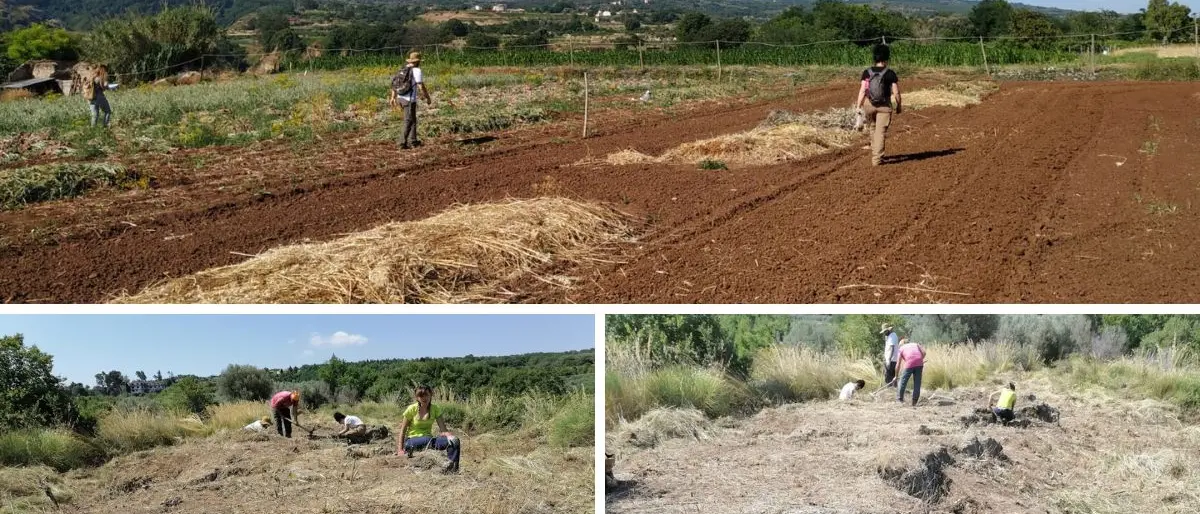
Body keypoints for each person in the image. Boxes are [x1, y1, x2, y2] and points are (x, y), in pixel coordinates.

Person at [855, 44, 902, 166]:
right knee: (880, 132)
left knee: (872, 128)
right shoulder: (890, 73)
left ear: (875, 57)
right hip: (884, 106)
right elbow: (896, 92)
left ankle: (875, 151)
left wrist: (858, 106)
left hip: (869, 105)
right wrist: (898, 105)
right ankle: (877, 159)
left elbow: (862, 90)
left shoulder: (867, 72)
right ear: (886, 58)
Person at [397, 384, 460, 473]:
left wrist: (450, 436)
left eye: (426, 394)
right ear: (417, 397)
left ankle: (453, 469)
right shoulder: (411, 409)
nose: (424, 398)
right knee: (428, 439)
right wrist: (400, 450)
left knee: (454, 441)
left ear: (431, 395)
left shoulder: (435, 409)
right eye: (420, 395)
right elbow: (402, 430)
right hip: (411, 442)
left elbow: (443, 429)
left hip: (429, 441)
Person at [392, 51, 432, 150]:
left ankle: (413, 141)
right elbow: (420, 85)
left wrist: (393, 97)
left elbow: (394, 84)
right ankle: (402, 143)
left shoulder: (402, 69)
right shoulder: (416, 70)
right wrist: (427, 97)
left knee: (413, 119)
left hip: (400, 97)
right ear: (418, 61)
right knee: (408, 120)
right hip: (409, 99)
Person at [895, 338, 925, 407]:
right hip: (919, 363)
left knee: (902, 381)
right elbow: (924, 353)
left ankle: (899, 400)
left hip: (909, 363)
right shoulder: (915, 344)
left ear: (902, 344)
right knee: (917, 383)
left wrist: (896, 376)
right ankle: (914, 403)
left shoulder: (901, 348)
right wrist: (919, 360)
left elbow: (898, 364)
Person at [881, 323, 900, 387]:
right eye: (884, 331)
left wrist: (888, 360)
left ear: (889, 330)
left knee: (888, 377)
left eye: (885, 331)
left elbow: (891, 348)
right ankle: (894, 390)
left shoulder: (892, 336)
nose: (884, 333)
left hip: (892, 360)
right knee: (891, 376)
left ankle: (889, 391)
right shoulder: (890, 336)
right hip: (891, 360)